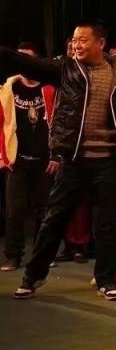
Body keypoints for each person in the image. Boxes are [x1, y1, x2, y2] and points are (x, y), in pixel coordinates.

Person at [2, 21, 116, 301]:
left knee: (106, 224)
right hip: (74, 159)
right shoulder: (66, 69)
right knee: (54, 220)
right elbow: (27, 64)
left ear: (100, 43)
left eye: (83, 40)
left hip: (108, 160)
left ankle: (106, 280)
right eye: (74, 40)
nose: (76, 45)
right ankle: (32, 277)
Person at [0, 43, 56, 272]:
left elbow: (60, 122)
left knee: (46, 211)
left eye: (27, 59)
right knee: (14, 212)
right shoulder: (7, 89)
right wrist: (4, 156)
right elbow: (2, 124)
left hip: (45, 161)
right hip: (18, 161)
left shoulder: (50, 88)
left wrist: (57, 155)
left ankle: (43, 256)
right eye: (19, 58)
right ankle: (13, 256)